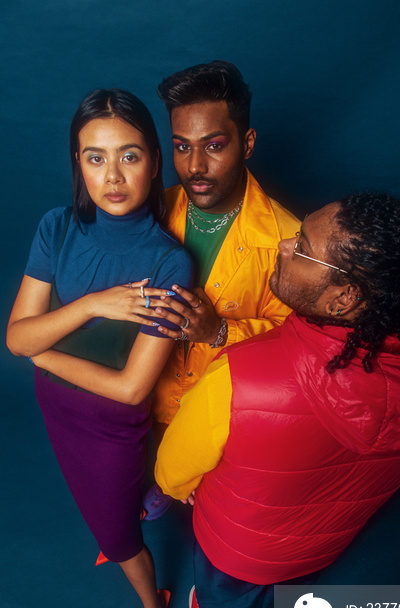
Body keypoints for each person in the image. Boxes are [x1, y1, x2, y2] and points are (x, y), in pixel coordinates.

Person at [155, 192, 400, 608]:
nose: (281, 243)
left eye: (300, 246)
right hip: (321, 545)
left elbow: (172, 469)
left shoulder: (241, 378)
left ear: (345, 298)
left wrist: (180, 487)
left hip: (236, 547)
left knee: (224, 599)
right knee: (290, 596)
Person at [6, 88, 193, 608]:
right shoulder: (56, 227)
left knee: (117, 539)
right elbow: (15, 337)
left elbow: (131, 388)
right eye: (94, 157)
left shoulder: (170, 264)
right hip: (58, 410)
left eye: (130, 156)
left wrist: (48, 355)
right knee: (103, 506)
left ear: (156, 161)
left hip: (113, 423)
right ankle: (118, 515)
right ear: (78, 163)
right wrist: (92, 305)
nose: (112, 175)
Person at [147, 60, 300, 426]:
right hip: (142, 414)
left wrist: (219, 331)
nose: (195, 166)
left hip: (223, 429)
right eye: (182, 147)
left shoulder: (289, 240)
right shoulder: (151, 213)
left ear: (247, 144)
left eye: (213, 145)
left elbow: (300, 347)